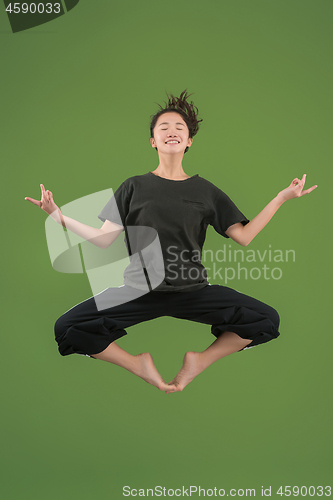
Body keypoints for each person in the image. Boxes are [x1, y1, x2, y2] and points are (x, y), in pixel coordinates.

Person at [25, 90, 317, 394]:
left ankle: (199, 362)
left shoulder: (206, 191)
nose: (172, 131)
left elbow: (244, 236)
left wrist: (281, 198)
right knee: (67, 328)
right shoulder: (133, 187)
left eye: (179, 127)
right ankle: (138, 365)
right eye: (163, 127)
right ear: (153, 141)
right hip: (139, 290)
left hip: (192, 290)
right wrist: (58, 216)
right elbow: (104, 240)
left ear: (189, 141)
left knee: (266, 320)